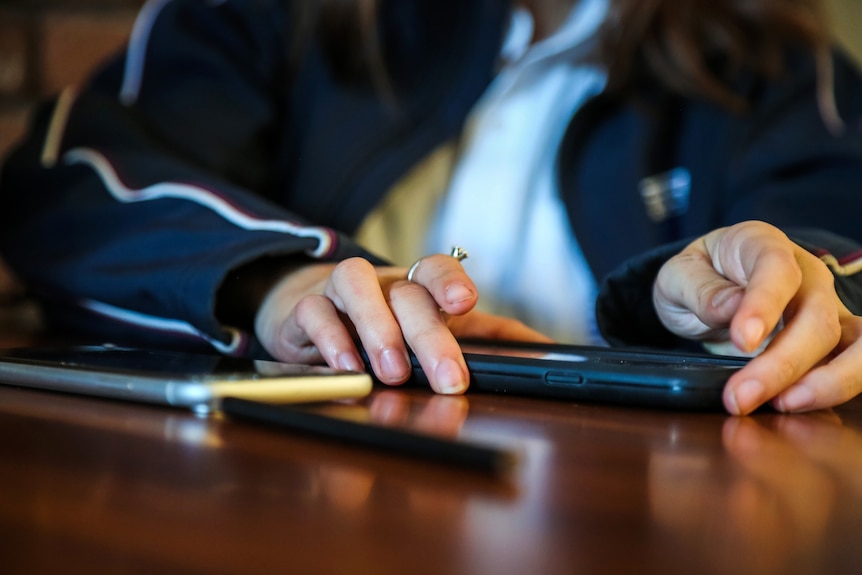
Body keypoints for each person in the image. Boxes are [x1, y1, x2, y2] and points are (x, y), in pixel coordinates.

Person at [1, 0, 861, 416]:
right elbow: (72, 181)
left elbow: (833, 237)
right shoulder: (272, 17)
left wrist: (788, 286)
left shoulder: (775, 71)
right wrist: (280, 283)